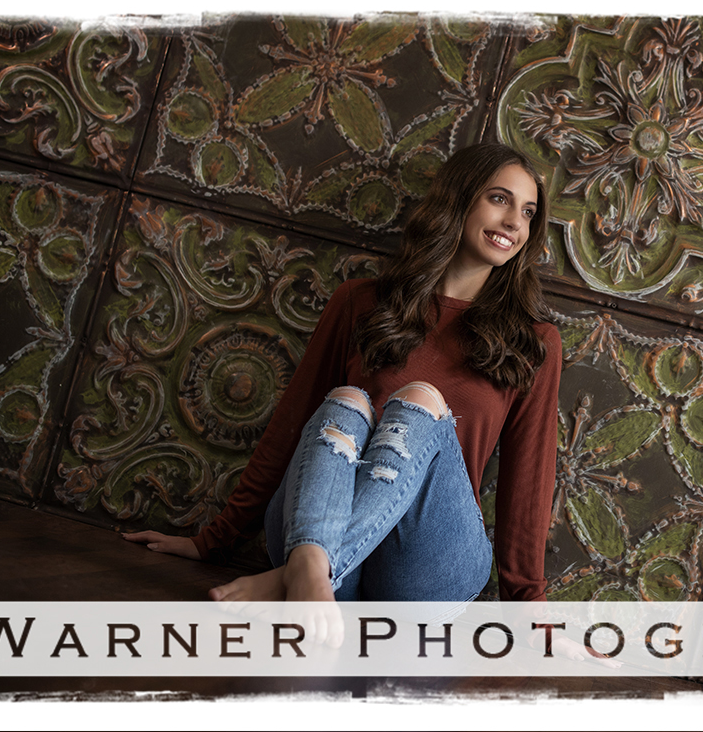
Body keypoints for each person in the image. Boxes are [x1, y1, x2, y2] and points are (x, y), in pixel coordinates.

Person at [123, 144, 561, 624]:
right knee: (348, 400)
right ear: (459, 198)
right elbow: (293, 427)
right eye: (499, 199)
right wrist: (215, 538)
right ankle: (313, 566)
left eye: (528, 212)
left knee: (418, 399)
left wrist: (533, 615)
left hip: (425, 568)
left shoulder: (533, 341)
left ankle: (300, 571)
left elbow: (529, 482)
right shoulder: (361, 302)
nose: (514, 222)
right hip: (317, 529)